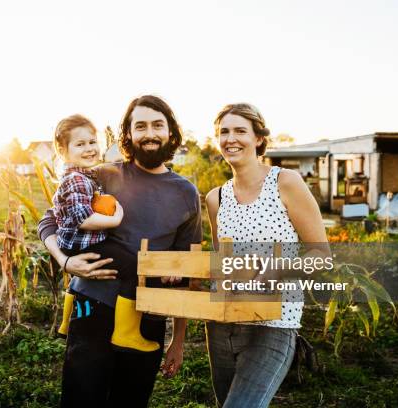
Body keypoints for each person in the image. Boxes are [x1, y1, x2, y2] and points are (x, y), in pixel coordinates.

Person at [38, 95, 202, 407]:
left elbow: (188, 273)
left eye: (157, 125)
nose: (149, 133)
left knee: (130, 401)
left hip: (147, 314)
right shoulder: (102, 175)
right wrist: (65, 260)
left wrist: (177, 341)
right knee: (81, 400)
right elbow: (50, 219)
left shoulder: (186, 193)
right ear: (128, 133)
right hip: (91, 306)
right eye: (140, 126)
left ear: (171, 132)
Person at [204, 103, 328, 407]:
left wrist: (279, 269)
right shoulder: (215, 198)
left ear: (259, 138)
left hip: (274, 324)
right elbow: (222, 263)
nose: (231, 139)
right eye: (224, 132)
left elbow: (321, 256)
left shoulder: (285, 182)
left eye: (240, 131)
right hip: (222, 324)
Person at [52, 113, 159, 352]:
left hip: (76, 244)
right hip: (83, 244)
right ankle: (126, 333)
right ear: (63, 150)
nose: (89, 148)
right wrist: (115, 219)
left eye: (92, 142)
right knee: (135, 266)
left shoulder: (83, 175)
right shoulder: (77, 179)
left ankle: (65, 324)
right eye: (80, 144)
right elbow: (83, 218)